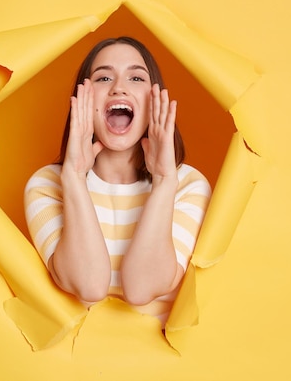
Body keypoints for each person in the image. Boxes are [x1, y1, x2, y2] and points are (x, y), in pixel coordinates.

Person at [24, 36, 211, 324]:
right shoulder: (47, 185)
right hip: (71, 361)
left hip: (162, 363)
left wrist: (164, 181)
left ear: (153, 100)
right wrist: (74, 177)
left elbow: (141, 289)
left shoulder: (187, 185)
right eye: (103, 78)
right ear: (83, 99)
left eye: (136, 77)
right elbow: (89, 285)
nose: (119, 88)